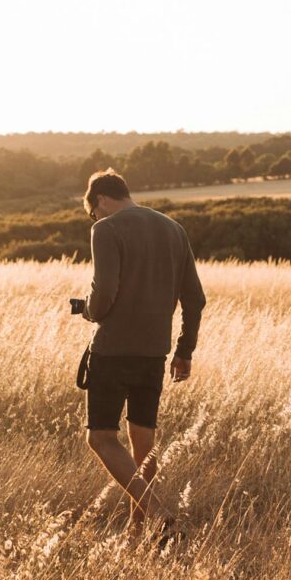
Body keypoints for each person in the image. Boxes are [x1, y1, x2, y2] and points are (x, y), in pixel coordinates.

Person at [78, 168, 206, 544]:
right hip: (155, 353)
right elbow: (195, 300)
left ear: (100, 198)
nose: (95, 219)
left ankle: (159, 514)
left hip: (113, 350)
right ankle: (138, 532)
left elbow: (102, 299)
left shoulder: (106, 229)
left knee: (100, 438)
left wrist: (86, 310)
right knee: (142, 443)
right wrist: (185, 351)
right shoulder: (174, 229)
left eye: (92, 212)